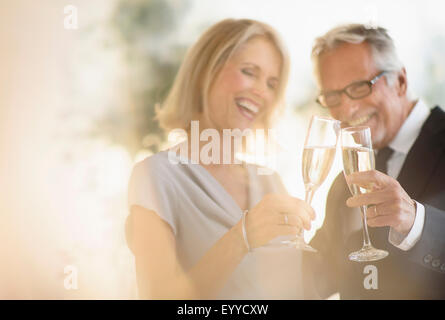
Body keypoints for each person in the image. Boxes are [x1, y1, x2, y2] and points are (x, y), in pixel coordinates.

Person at [125, 18, 315, 299]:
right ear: (206, 72)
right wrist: (243, 236)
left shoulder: (270, 181)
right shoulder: (156, 176)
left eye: (272, 84)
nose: (262, 92)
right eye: (249, 72)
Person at [305, 23, 445, 299]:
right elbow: (314, 280)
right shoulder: (344, 182)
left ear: (401, 82)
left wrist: (417, 222)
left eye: (359, 87)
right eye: (332, 96)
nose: (346, 109)